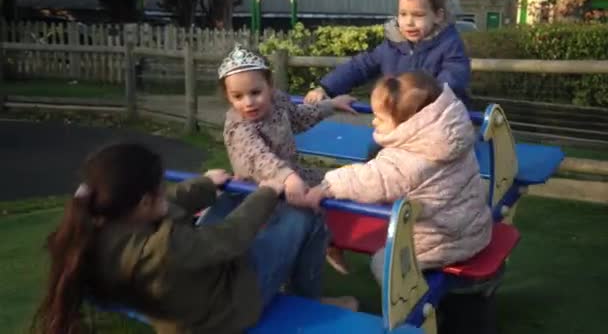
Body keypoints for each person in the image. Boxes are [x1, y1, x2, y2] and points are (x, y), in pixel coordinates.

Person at [32, 143, 355, 334]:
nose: (164, 192)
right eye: (159, 187)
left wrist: (204, 185)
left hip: (188, 297)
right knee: (305, 216)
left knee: (226, 200)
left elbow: (166, 208)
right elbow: (232, 236)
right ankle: (309, 299)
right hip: (228, 307)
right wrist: (268, 191)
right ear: (143, 201)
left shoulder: (96, 226)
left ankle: (296, 281)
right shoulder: (163, 248)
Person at [304, 72, 492, 284]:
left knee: (384, 262)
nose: (374, 121)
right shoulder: (452, 137)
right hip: (476, 228)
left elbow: (370, 179)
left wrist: (326, 186)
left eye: (381, 118)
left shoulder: (408, 160)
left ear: (409, 124)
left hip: (440, 243)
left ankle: (413, 307)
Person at [209, 44, 357, 274]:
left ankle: (328, 241)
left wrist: (330, 105)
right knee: (301, 218)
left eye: (255, 93)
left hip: (291, 174)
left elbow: (299, 117)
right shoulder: (238, 125)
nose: (248, 102)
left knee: (336, 182)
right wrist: (286, 177)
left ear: (269, 85)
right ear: (228, 95)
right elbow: (258, 157)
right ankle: (318, 247)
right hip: (258, 187)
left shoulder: (278, 102)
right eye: (237, 96)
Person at [304, 0, 471, 107]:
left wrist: (418, 100)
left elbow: (452, 80)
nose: (409, 22)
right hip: (399, 122)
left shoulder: (449, 46)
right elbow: (359, 66)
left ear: (438, 16)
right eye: (403, 14)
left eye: (418, 15)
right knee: (376, 153)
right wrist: (326, 88)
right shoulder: (392, 46)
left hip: (438, 124)